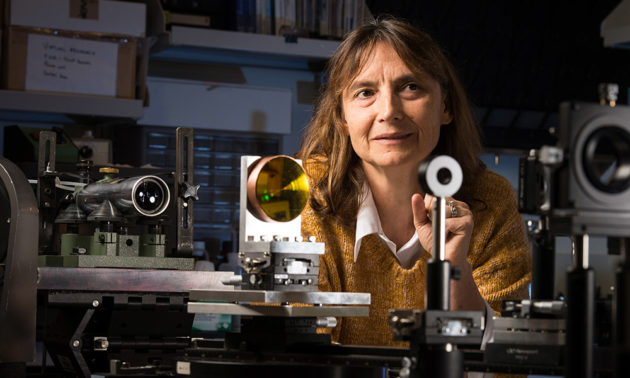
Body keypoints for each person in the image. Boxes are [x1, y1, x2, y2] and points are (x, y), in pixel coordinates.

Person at [297, 17, 531, 347]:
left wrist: (453, 267)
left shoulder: (490, 201)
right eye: (365, 92)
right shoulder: (304, 193)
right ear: (342, 118)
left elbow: (508, 356)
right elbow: (298, 353)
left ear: (445, 106)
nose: (389, 110)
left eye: (411, 87)